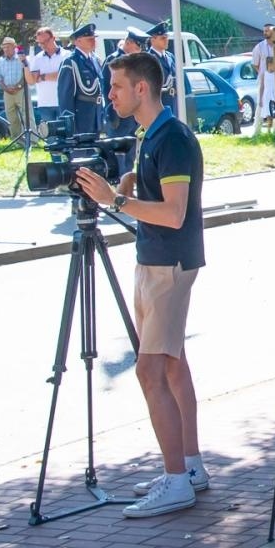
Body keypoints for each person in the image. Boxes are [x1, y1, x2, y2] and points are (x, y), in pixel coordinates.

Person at [74, 51, 210, 517]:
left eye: (115, 87)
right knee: (171, 366)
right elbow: (156, 199)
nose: (107, 94)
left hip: (168, 264)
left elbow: (174, 213)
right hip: (155, 261)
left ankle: (177, 481)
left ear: (142, 89)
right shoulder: (149, 135)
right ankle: (188, 465)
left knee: (149, 370)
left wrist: (114, 199)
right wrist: (129, 186)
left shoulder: (172, 138)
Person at [102, 28, 147, 172]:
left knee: (131, 153)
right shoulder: (114, 60)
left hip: (133, 115)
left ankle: (126, 180)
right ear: (128, 42)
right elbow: (106, 89)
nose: (140, 50)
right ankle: (119, 184)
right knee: (118, 153)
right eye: (138, 46)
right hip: (118, 114)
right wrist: (113, 111)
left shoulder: (134, 62)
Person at [57, 22, 105, 137]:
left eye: (94, 38)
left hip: (95, 114)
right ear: (78, 41)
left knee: (95, 151)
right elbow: (65, 96)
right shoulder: (71, 62)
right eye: (89, 39)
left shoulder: (95, 60)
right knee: (80, 153)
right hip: (80, 117)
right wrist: (69, 123)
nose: (93, 41)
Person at [27, 26, 66, 130]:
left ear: (53, 38)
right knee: (50, 137)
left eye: (45, 41)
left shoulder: (66, 55)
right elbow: (33, 79)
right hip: (44, 103)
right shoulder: (38, 58)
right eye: (40, 43)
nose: (43, 45)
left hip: (63, 102)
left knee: (66, 135)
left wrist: (43, 76)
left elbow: (63, 75)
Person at [250, 23, 275, 133]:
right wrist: (263, 74)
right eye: (264, 31)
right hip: (264, 81)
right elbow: (255, 64)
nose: (265, 32)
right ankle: (257, 131)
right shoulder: (259, 47)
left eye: (267, 30)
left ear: (274, 32)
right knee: (261, 104)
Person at [0, 37, 31, 141]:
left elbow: (27, 73)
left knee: (27, 115)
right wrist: (6, 89)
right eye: (4, 47)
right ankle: (17, 140)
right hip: (7, 93)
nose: (6, 49)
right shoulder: (0, 62)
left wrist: (19, 86)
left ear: (14, 47)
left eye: (8, 47)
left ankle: (32, 140)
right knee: (11, 117)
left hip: (21, 90)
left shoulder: (21, 59)